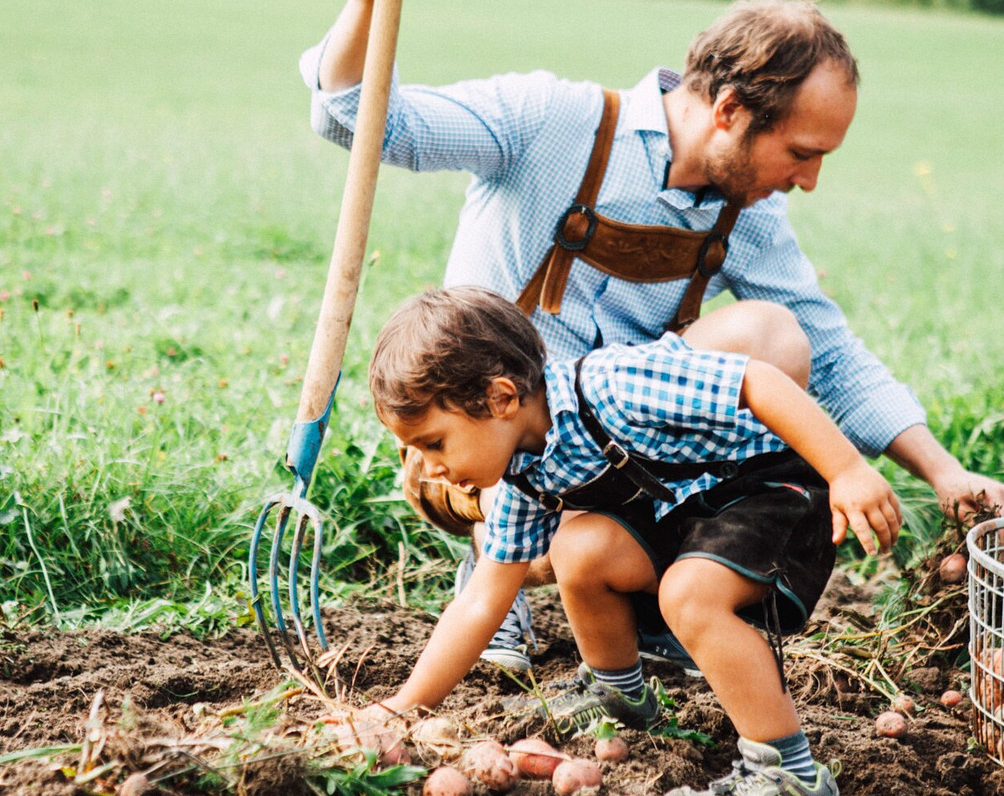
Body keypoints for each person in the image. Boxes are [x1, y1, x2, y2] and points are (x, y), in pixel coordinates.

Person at [301, 0, 1004, 671]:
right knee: (494, 433)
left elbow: (829, 356)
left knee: (775, 336)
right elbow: (355, 118)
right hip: (490, 442)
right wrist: (367, 0)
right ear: (730, 110)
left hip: (616, 453)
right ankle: (498, 572)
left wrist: (944, 471)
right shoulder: (550, 120)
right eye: (801, 152)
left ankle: (660, 592)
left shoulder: (748, 215)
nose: (810, 179)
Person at [366, 286, 901, 796]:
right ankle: (620, 694)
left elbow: (758, 382)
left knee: (689, 595)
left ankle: (788, 772)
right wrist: (402, 707)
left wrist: (848, 470)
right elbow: (482, 601)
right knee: (579, 549)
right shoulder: (522, 477)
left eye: (433, 443)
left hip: (771, 490)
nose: (431, 468)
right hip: (691, 510)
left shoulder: (614, 384)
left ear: (501, 398)